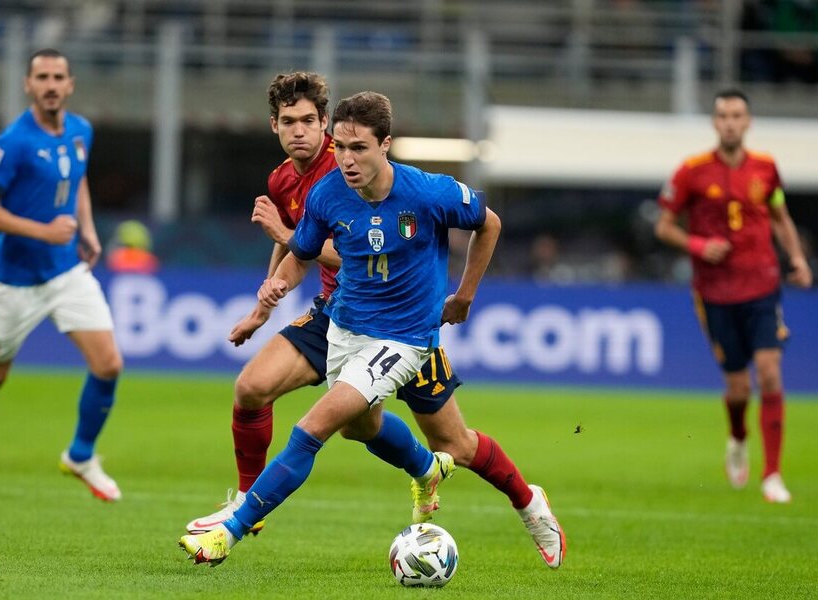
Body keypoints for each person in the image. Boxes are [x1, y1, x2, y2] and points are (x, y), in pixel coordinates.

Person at [183, 72, 565, 569]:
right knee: (361, 430)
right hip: (343, 325)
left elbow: (488, 222)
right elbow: (301, 251)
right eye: (340, 147)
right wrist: (275, 287)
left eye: (357, 147)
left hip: (405, 338)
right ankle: (426, 470)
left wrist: (465, 296)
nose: (345, 159)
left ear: (385, 144)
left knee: (314, 428)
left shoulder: (427, 192)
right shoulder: (325, 194)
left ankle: (231, 530)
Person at [0, 48, 123, 505]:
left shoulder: (81, 130)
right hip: (11, 280)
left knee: (108, 364)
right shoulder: (13, 142)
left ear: (71, 83)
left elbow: (76, 178)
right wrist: (43, 230)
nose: (51, 84)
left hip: (64, 271)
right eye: (41, 76)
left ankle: (81, 454)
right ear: (28, 85)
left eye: (58, 76)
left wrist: (87, 229)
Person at [655, 89, 812, 504]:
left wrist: (796, 257)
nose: (729, 122)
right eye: (722, 114)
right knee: (739, 386)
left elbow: (779, 215)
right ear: (714, 122)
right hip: (715, 293)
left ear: (748, 122)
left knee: (771, 371)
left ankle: (773, 474)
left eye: (736, 115)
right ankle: (739, 436)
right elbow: (664, 226)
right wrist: (699, 246)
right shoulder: (692, 172)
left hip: (762, 284)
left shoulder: (766, 169)